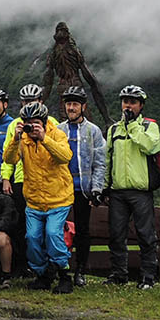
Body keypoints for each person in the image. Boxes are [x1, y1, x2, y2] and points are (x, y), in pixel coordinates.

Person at [3, 102, 75, 293]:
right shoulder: (23, 139)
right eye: (27, 123)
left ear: (43, 122)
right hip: (34, 200)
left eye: (35, 123)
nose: (31, 127)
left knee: (53, 234)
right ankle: (42, 275)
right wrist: (16, 139)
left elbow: (65, 156)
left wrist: (44, 139)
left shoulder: (56, 134)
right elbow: (9, 159)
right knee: (32, 238)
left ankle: (64, 275)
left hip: (58, 198)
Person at [104, 85, 160, 289]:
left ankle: (148, 276)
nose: (128, 105)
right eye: (125, 101)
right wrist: (104, 186)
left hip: (141, 191)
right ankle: (119, 274)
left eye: (133, 102)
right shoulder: (113, 129)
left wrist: (133, 127)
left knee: (146, 235)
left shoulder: (149, 126)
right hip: (118, 191)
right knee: (116, 235)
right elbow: (107, 159)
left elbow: (151, 146)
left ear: (141, 105)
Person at [58, 85, 106, 286]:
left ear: (83, 107)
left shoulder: (93, 131)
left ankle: (80, 270)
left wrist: (97, 189)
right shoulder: (58, 130)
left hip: (83, 190)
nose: (71, 108)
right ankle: (61, 269)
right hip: (61, 190)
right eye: (69, 104)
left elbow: (100, 162)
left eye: (75, 104)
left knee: (83, 231)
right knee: (58, 230)